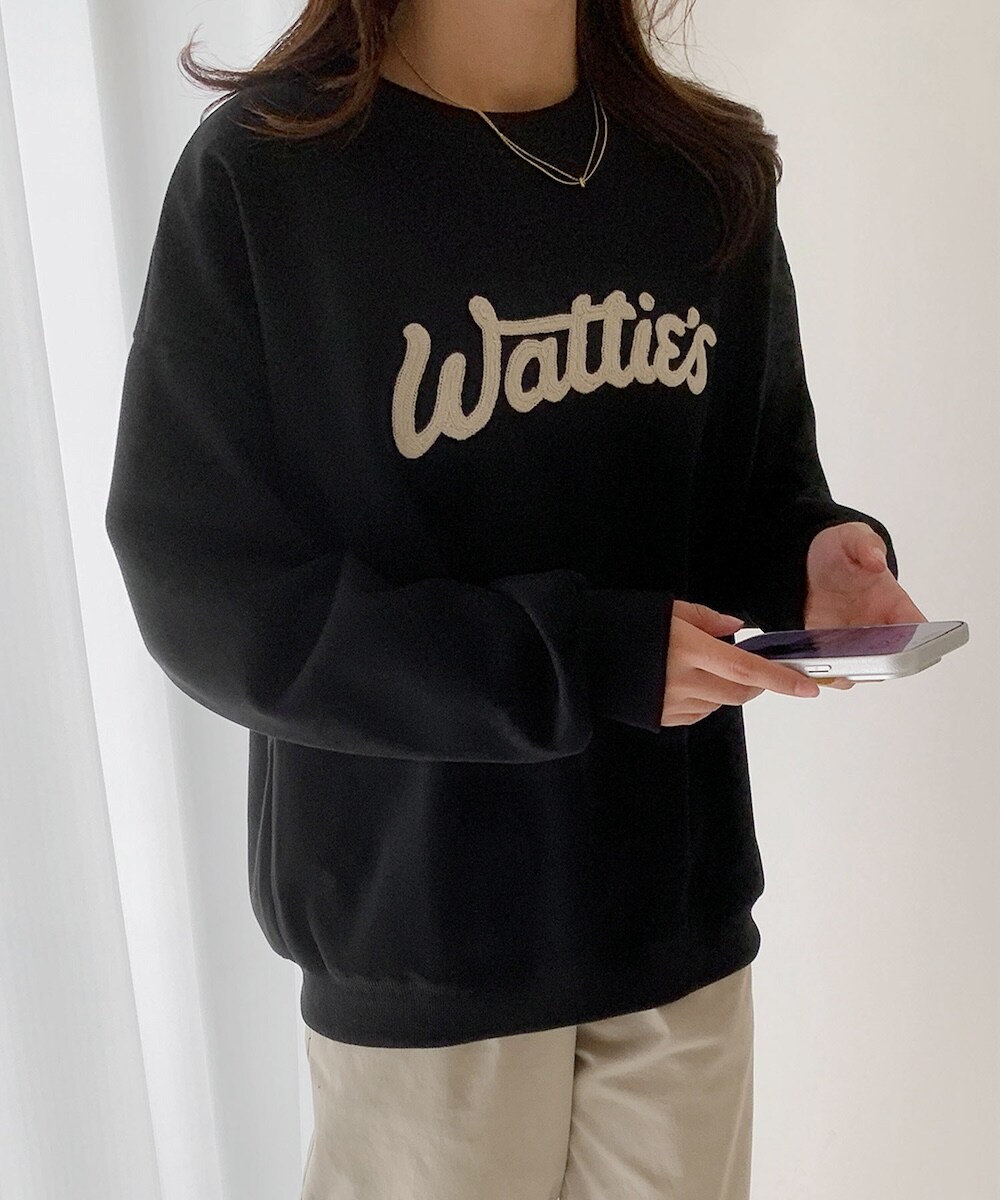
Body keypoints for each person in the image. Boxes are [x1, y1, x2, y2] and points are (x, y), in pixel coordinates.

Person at [104, 0, 925, 1196]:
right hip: (422, 936)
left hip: (673, 913)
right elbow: (209, 593)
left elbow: (749, 488)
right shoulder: (270, 175)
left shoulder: (706, 173)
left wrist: (810, 558)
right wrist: (578, 659)